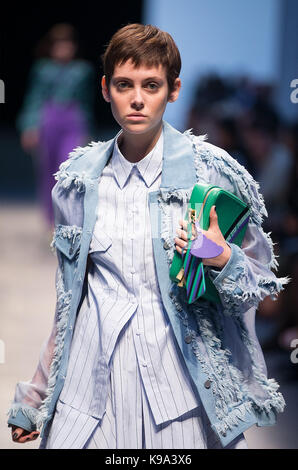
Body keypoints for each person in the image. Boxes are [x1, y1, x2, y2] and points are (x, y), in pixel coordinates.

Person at [7, 23, 290, 449]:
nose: (137, 98)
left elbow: (259, 289)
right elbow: (70, 302)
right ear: (105, 89)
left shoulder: (211, 172)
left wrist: (221, 258)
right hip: (88, 390)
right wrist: (35, 395)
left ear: (173, 90)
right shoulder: (77, 182)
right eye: (124, 84)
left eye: (151, 85)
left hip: (180, 391)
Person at [18, 23, 96, 229]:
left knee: (68, 167)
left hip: (72, 119)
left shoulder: (82, 71)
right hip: (48, 118)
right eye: (59, 45)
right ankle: (51, 220)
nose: (64, 49)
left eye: (67, 45)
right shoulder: (42, 69)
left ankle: (68, 216)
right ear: (52, 47)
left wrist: (85, 130)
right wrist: (29, 126)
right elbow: (34, 98)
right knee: (48, 169)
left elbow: (86, 103)